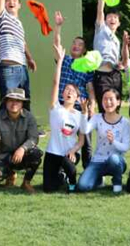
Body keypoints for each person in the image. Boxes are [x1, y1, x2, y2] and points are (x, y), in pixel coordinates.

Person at [53, 10, 95, 167]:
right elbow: (57, 44)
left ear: (84, 50)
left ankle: (88, 168)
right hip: (63, 105)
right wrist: (58, 27)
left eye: (80, 44)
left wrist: (92, 106)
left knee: (86, 139)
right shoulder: (64, 59)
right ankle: (61, 166)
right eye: (74, 43)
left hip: (80, 106)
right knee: (62, 137)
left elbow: (90, 89)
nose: (76, 46)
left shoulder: (87, 66)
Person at [43, 43, 86, 193]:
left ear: (77, 98)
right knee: (48, 188)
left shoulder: (80, 115)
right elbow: (56, 83)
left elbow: (81, 140)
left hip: (69, 153)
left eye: (72, 91)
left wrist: (73, 151)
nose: (69, 92)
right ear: (62, 93)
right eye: (67, 90)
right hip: (53, 152)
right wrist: (60, 61)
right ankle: (61, 176)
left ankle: (72, 182)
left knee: (70, 167)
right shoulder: (55, 108)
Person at [0, 88, 42, 194]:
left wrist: (22, 149)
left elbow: (34, 138)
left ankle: (26, 182)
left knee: (36, 154)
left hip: (23, 156)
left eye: (18, 101)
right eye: (11, 100)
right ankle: (9, 174)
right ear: (6, 102)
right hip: (4, 158)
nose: (14, 103)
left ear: (22, 103)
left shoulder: (29, 117)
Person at [77, 89, 130, 193]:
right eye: (105, 99)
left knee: (114, 159)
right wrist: (84, 113)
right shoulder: (97, 118)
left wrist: (113, 141)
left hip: (116, 162)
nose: (108, 102)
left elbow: (126, 147)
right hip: (98, 160)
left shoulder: (125, 122)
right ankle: (98, 178)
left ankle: (117, 182)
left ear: (118, 102)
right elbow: (84, 130)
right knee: (83, 186)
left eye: (111, 99)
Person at [92, 0, 122, 112]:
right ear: (105, 20)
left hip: (115, 75)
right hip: (102, 75)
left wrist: (119, 64)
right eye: (109, 17)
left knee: (116, 107)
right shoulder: (101, 29)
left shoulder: (117, 41)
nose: (112, 19)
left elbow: (117, 60)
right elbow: (100, 10)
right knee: (104, 107)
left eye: (115, 17)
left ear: (118, 23)